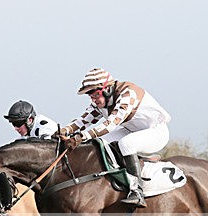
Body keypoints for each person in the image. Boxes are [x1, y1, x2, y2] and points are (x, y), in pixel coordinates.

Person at [56, 68, 171, 208]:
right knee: (98, 143)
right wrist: (64, 131)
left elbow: (110, 124)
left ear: (108, 89)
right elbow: (83, 121)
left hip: (156, 132)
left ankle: (137, 191)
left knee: (126, 144)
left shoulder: (128, 94)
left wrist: (81, 136)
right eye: (90, 95)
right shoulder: (100, 101)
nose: (93, 99)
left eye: (95, 94)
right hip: (131, 130)